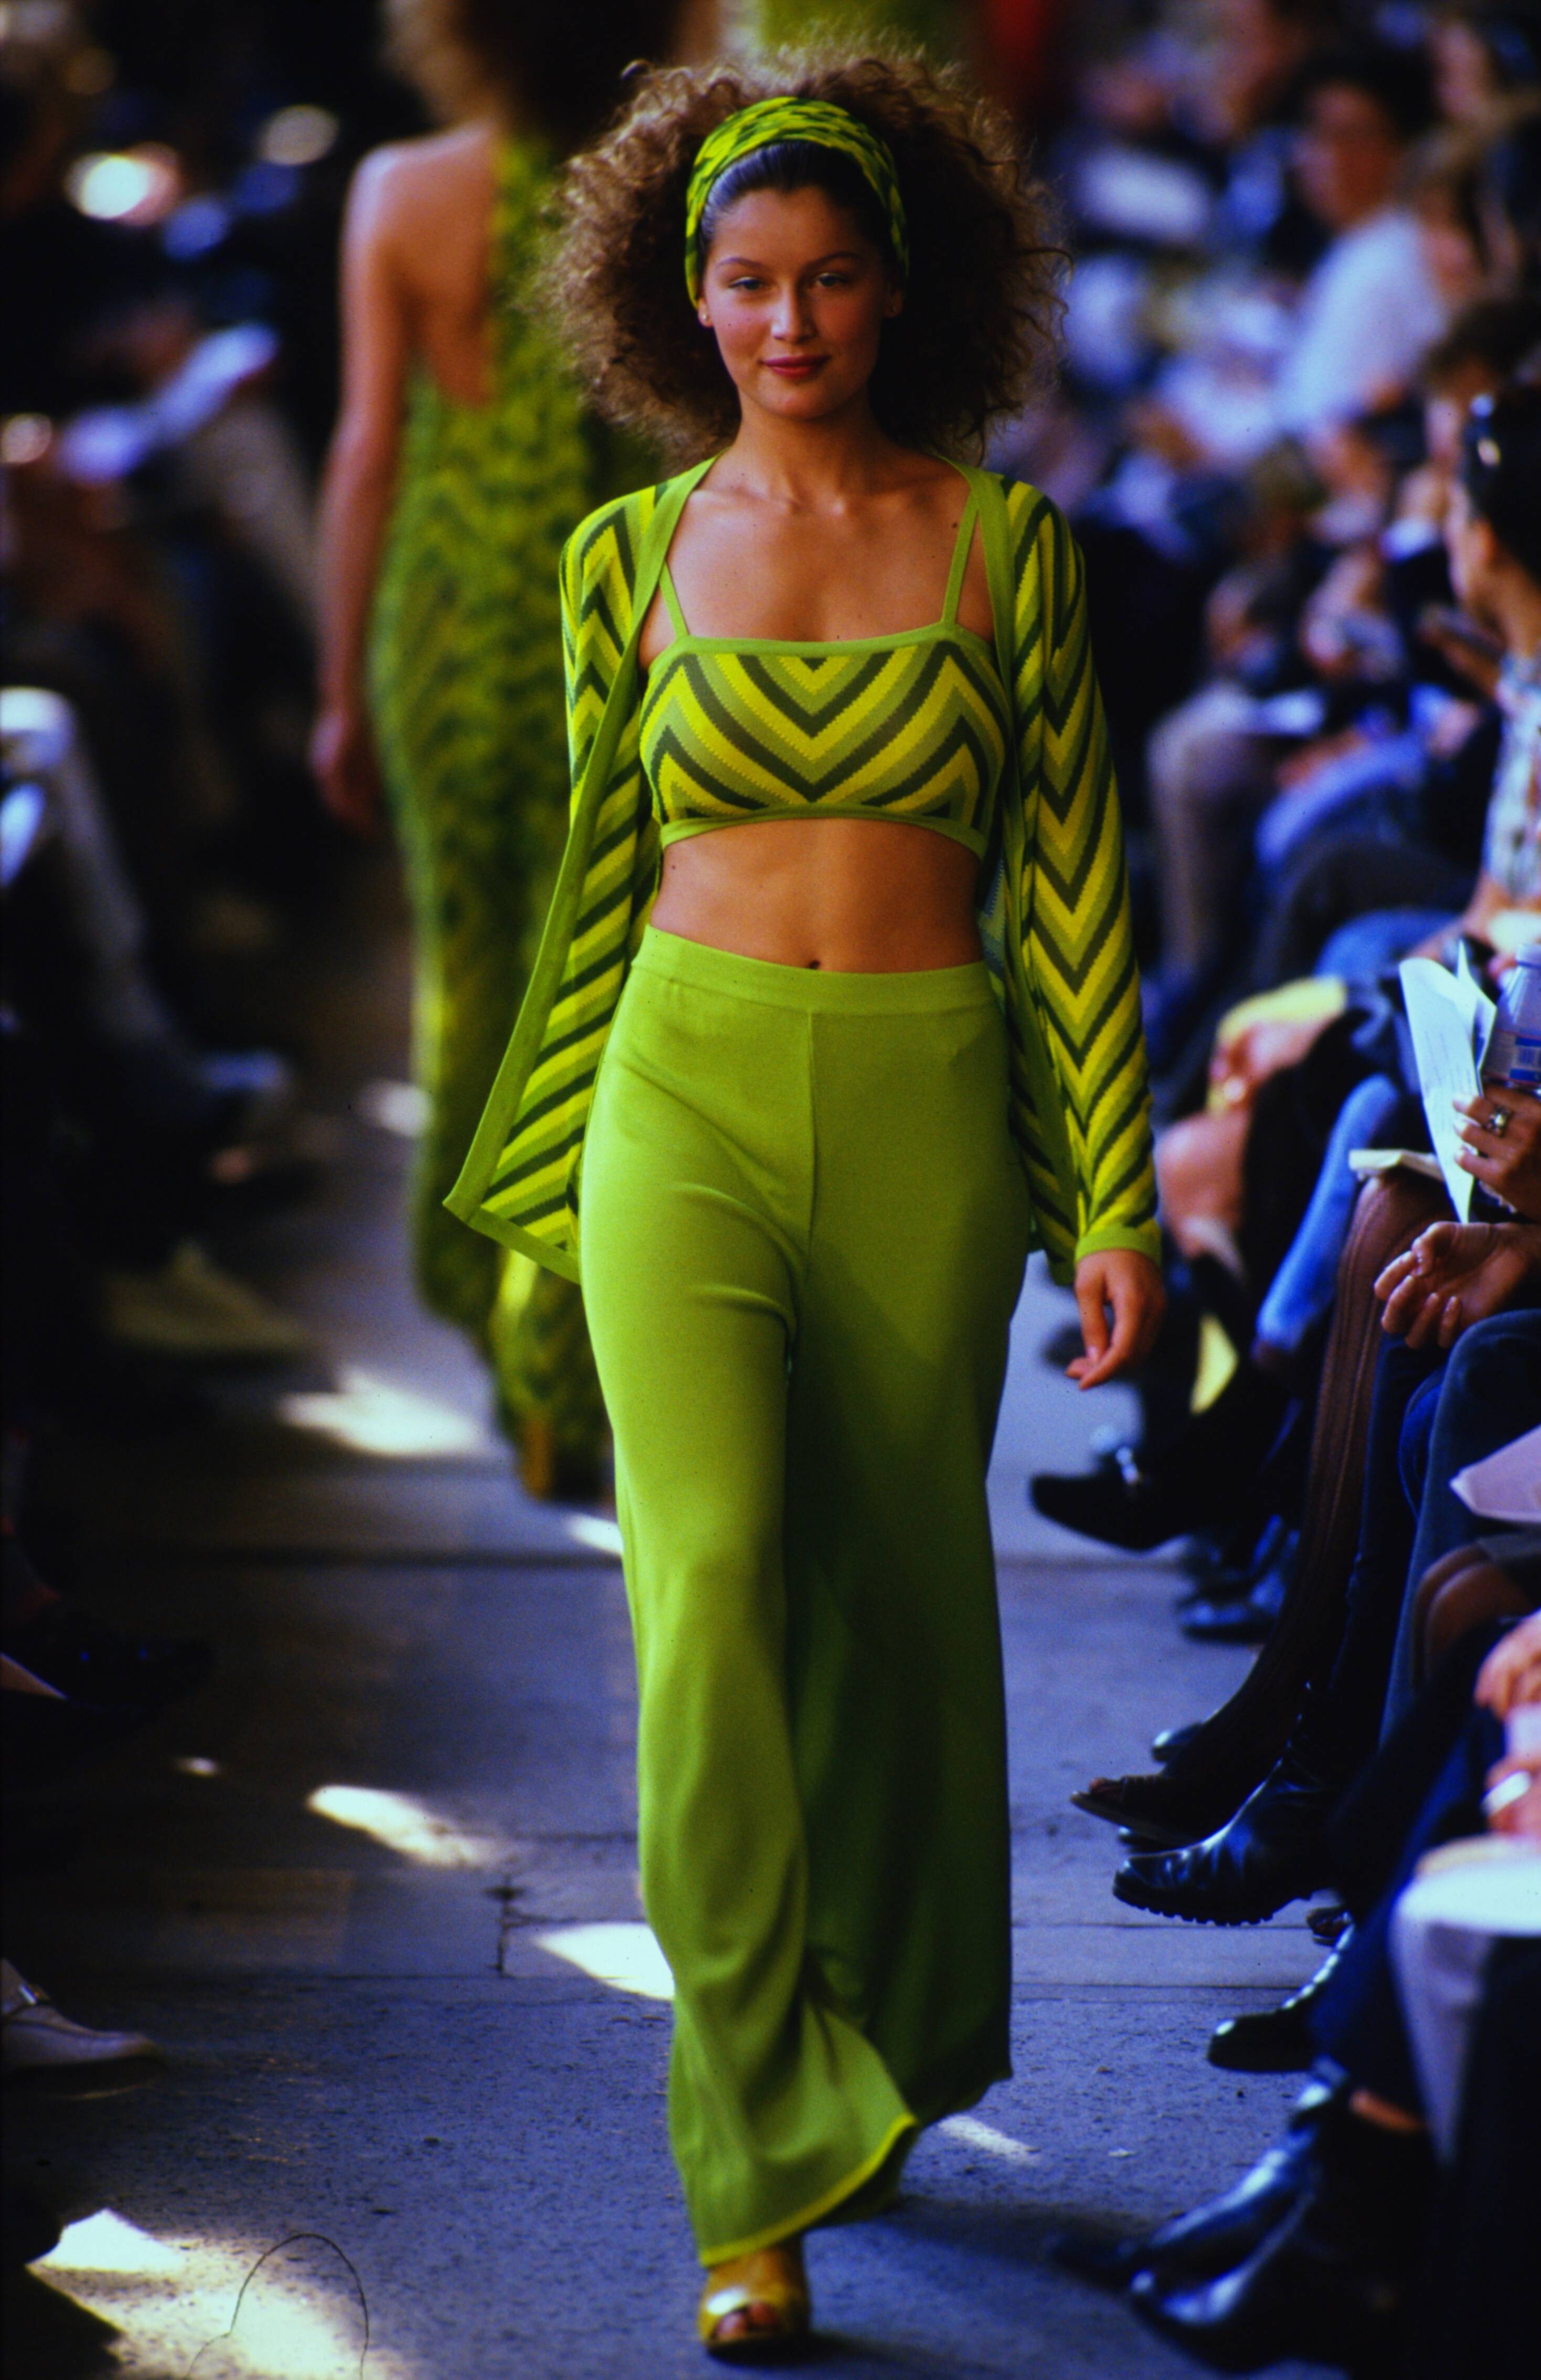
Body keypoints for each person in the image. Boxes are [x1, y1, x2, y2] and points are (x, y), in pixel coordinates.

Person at [444, 52, 1164, 2358]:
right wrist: (540, 1224)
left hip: (933, 1109)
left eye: (833, 278)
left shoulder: (1009, 548)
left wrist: (1118, 1205)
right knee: (710, 1603)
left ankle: (894, 2036)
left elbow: (1075, 894)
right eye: (748, 281)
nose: (790, 321)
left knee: (896, 1610)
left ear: (901, 293)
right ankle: (749, 2157)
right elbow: (591, 896)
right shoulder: (621, 562)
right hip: (682, 1098)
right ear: (684, 297)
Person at [313, 2, 675, 1497]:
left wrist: (340, 684)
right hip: (619, 623)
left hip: (446, 625)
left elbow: (369, 450)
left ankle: (485, 1302)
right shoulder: (662, 186)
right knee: (600, 990)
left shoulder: (402, 193)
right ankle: (565, 1351)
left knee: (469, 975)